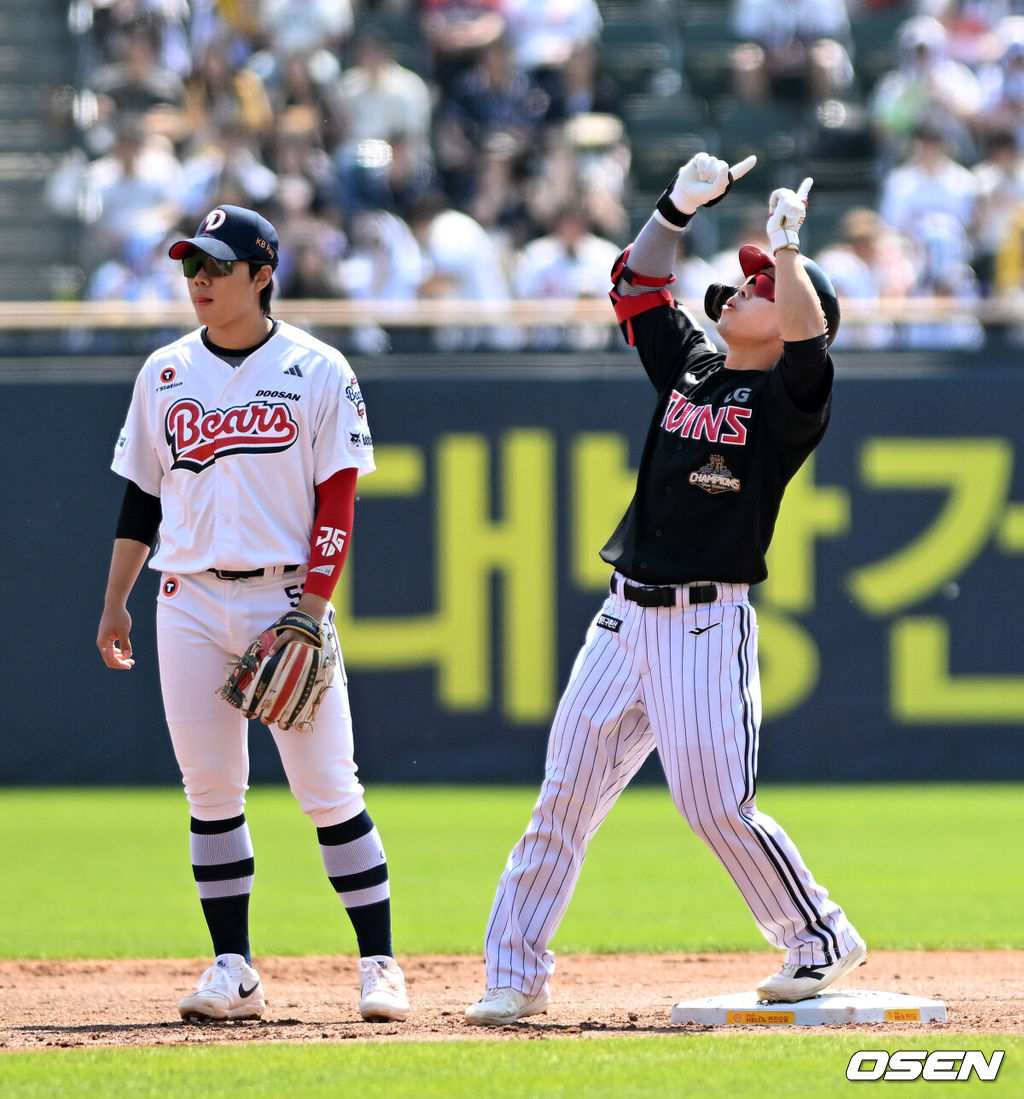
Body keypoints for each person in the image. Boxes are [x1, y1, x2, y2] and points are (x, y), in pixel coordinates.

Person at [464, 151, 866, 1026]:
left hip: (705, 622)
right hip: (623, 614)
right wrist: (674, 210)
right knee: (563, 797)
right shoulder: (692, 363)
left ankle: (819, 936)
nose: (746, 286)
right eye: (749, 276)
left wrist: (788, 253)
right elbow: (636, 288)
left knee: (715, 804)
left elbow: (807, 345)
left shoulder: (790, 398)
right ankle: (515, 972)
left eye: (763, 286)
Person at [96, 204, 409, 1025]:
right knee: (210, 789)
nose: (199, 280)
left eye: (216, 266)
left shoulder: (317, 368)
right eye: (190, 266)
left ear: (263, 273)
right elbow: (142, 498)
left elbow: (337, 501)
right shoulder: (164, 371)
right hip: (187, 597)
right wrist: (116, 599)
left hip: (285, 597)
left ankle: (379, 963)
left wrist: (312, 608)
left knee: (328, 787)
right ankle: (233, 969)